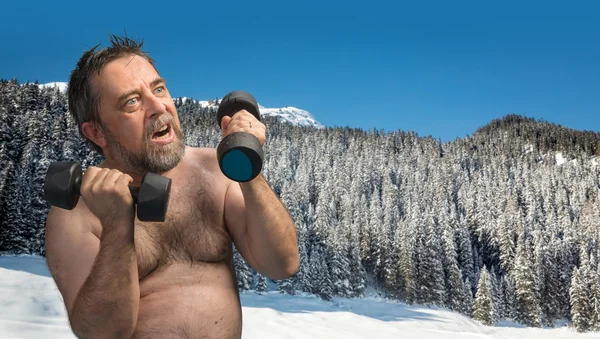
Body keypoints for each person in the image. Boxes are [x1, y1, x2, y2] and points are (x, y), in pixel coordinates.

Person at [44, 33, 300, 339]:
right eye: (132, 101)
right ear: (97, 133)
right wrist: (116, 225)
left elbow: (281, 264)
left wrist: (248, 168)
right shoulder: (76, 213)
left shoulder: (214, 172)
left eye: (159, 89)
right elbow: (102, 332)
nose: (159, 107)